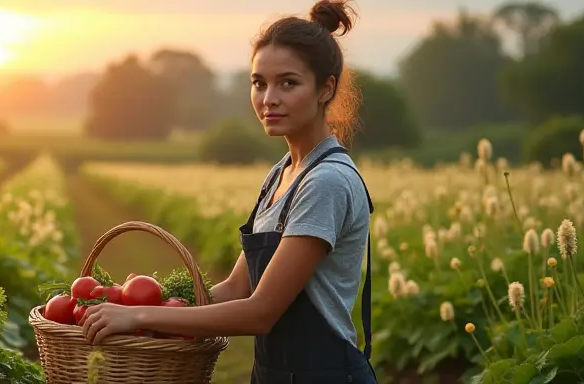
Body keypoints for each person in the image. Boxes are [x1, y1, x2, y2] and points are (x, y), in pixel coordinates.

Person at [79, 0, 376, 382]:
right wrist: (148, 304)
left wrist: (139, 314)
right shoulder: (281, 174)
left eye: (288, 82)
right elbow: (237, 287)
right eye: (259, 83)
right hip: (274, 374)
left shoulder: (326, 182)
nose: (269, 98)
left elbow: (260, 312)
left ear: (325, 89)